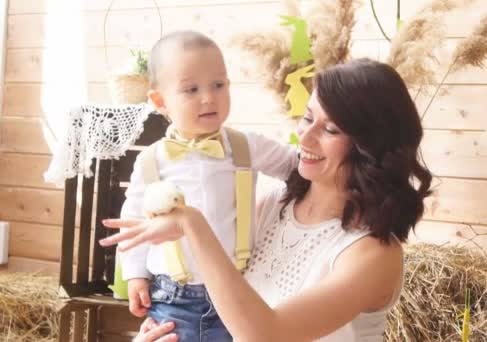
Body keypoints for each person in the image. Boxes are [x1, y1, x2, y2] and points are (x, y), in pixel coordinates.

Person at [102, 58, 433, 341]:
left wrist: (192, 224)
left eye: (330, 130)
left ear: (369, 147)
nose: (305, 136)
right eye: (307, 118)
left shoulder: (373, 254)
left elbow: (265, 334)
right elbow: (225, 314)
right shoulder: (274, 206)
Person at [119, 30, 298, 341]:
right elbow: (134, 224)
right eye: (191, 89)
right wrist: (135, 275)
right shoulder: (151, 162)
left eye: (219, 85)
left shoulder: (247, 146)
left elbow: (296, 166)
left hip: (238, 292)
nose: (208, 97)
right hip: (173, 300)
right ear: (161, 101)